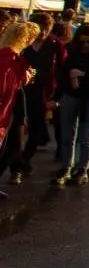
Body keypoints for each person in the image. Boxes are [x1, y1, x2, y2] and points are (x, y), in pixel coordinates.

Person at [51, 21, 89, 187]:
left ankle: (83, 168)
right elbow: (62, 75)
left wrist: (84, 74)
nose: (85, 45)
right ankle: (66, 167)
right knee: (67, 135)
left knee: (86, 135)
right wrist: (56, 97)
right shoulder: (72, 51)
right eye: (82, 41)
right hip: (71, 95)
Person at [9, 14, 56, 182]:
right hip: (21, 91)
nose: (43, 32)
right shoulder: (23, 45)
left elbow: (59, 70)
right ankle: (16, 168)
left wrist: (55, 96)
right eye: (40, 28)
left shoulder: (54, 45)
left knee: (37, 130)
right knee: (17, 130)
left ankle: (23, 160)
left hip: (42, 93)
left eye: (47, 29)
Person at [0, 19, 40, 193]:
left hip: (7, 109)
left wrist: (24, 77)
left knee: (13, 144)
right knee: (13, 144)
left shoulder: (11, 57)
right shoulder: (9, 58)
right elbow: (4, 87)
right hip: (3, 110)